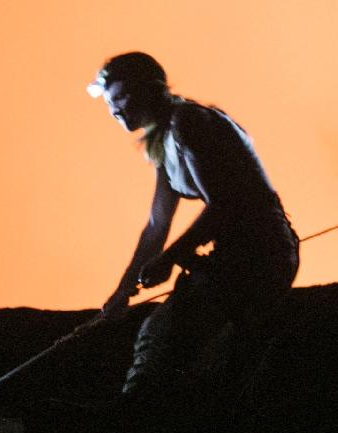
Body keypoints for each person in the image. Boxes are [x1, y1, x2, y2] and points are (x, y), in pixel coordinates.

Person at [90, 52, 299, 408]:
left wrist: (170, 259)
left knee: (163, 335)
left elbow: (224, 205)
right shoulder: (162, 142)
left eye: (119, 96)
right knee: (171, 338)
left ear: (149, 88)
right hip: (231, 256)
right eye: (109, 100)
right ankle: (148, 415)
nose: (113, 107)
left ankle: (133, 417)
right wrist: (123, 290)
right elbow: (157, 225)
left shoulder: (190, 124)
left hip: (261, 254)